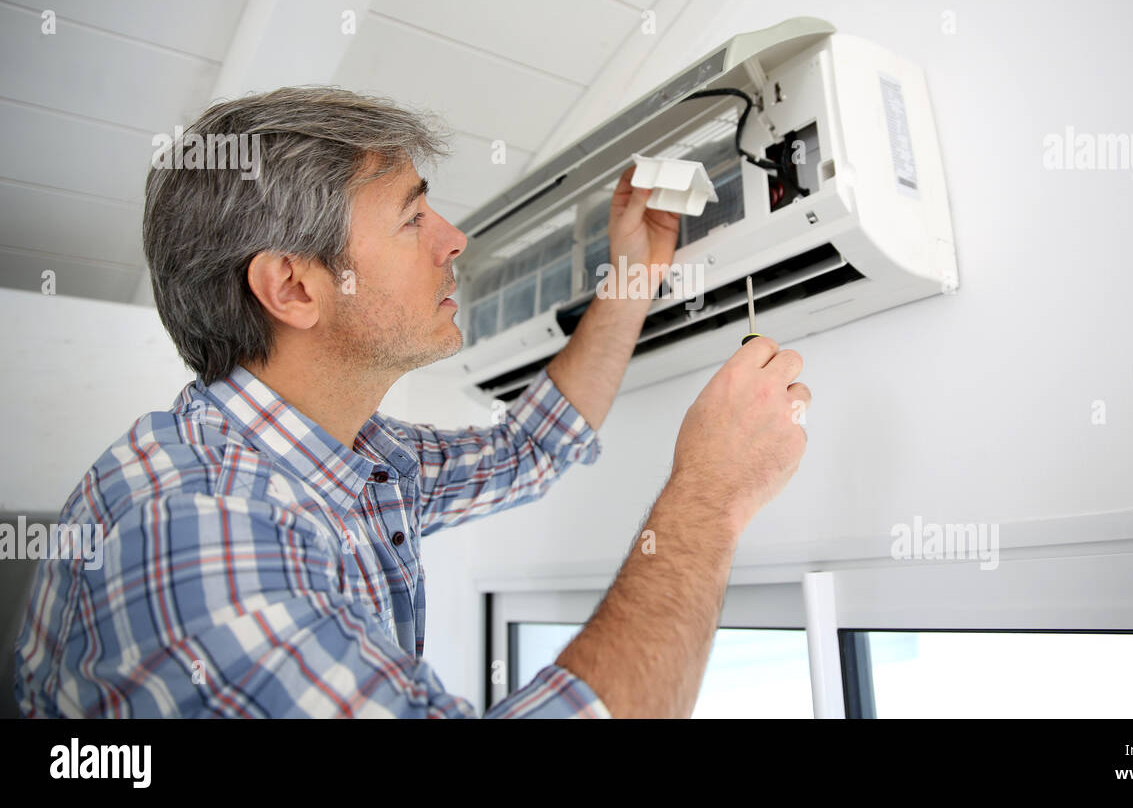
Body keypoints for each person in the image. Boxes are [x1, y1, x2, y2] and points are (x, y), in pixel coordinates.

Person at [13, 86, 811, 718]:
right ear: (293, 286)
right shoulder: (195, 525)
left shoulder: (349, 455)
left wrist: (634, 272)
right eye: (411, 218)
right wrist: (710, 498)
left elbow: (530, 451)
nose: (452, 238)